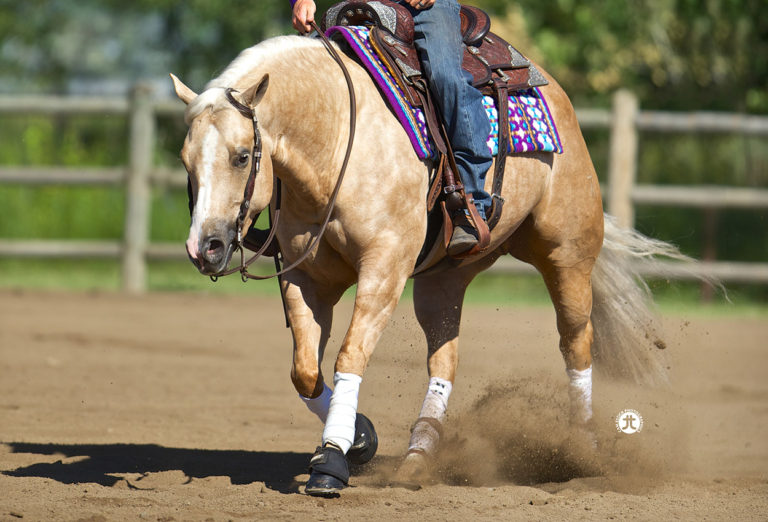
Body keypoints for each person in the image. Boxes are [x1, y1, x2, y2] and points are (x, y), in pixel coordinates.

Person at [290, 0, 493, 256]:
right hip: (358, 6)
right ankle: (282, 213)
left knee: (446, 78)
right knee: (298, 77)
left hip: (424, 8)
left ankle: (470, 203)